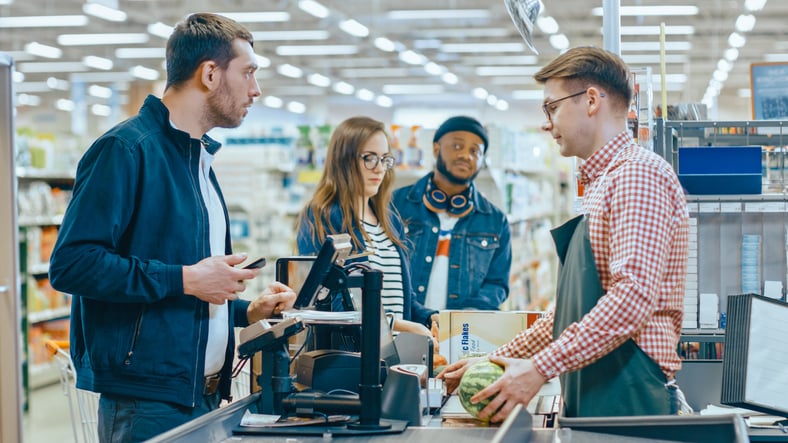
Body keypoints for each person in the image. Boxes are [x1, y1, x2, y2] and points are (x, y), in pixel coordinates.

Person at [48, 13, 296, 442]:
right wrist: (187, 278)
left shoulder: (197, 159)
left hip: (200, 396)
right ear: (210, 73)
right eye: (249, 73)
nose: (256, 90)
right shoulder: (125, 150)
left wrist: (245, 312)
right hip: (147, 403)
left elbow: (183, 292)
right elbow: (72, 264)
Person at [439, 46, 690, 422]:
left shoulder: (637, 176)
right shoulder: (603, 184)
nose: (546, 122)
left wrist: (540, 368)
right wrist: (495, 359)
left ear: (590, 100)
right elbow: (573, 310)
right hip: (602, 395)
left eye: (551, 107)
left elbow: (632, 298)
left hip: (632, 400)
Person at [295, 116, 435, 337]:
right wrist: (398, 326)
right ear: (343, 161)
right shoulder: (323, 217)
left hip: (396, 357)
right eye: (369, 158)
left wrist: (429, 317)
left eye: (385, 159)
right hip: (352, 358)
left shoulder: (390, 220)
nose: (379, 169)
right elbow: (326, 303)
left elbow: (399, 294)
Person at [392, 116, 512, 311]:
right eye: (457, 146)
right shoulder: (396, 205)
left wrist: (465, 319)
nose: (466, 155)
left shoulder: (495, 220)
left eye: (475, 151)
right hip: (403, 328)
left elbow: (497, 284)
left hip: (463, 334)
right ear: (436, 149)